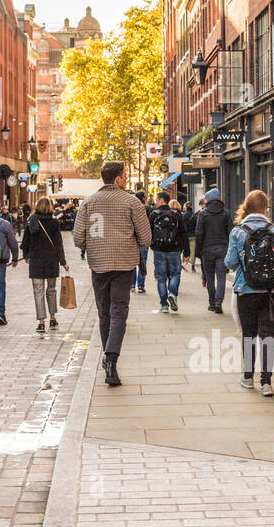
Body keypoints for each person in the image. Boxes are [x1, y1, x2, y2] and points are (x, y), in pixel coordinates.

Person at [73, 161, 152, 387]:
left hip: (98, 264)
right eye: (125, 175)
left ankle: (108, 354)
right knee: (119, 312)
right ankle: (111, 357)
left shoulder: (88, 203)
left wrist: (92, 245)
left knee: (104, 312)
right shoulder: (132, 202)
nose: (126, 179)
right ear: (117, 179)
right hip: (124, 264)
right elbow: (146, 239)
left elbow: (78, 238)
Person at [225, 189, 274, 397]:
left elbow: (229, 262)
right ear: (266, 209)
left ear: (246, 207)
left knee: (248, 335)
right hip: (272, 292)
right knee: (267, 336)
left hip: (246, 291)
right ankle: (266, 382)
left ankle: (248, 377)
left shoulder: (238, 232)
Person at [21, 197, 68, 332]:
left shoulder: (32, 221)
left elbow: (25, 241)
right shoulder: (54, 223)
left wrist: (26, 255)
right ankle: (52, 319)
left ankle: (41, 322)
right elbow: (58, 243)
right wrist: (63, 262)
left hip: (36, 261)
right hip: (51, 260)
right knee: (51, 290)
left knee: (38, 292)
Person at [194, 188, 233, 314]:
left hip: (207, 250)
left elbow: (199, 234)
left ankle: (212, 302)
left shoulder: (203, 214)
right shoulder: (226, 213)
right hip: (222, 249)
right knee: (221, 277)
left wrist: (198, 251)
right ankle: (218, 302)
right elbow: (230, 232)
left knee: (209, 277)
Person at [148, 194, 189, 313]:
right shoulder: (176, 215)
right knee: (176, 273)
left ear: (161, 201)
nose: (155, 202)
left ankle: (164, 305)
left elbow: (148, 232)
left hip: (159, 250)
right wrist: (186, 252)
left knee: (161, 278)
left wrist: (152, 245)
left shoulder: (154, 215)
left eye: (156, 200)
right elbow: (183, 234)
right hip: (174, 249)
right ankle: (172, 293)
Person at [133, 191, 150, 293]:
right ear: (143, 198)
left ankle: (131, 284)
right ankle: (140, 285)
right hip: (143, 239)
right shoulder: (147, 209)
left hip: (132, 240)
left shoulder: (132, 207)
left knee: (132, 263)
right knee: (142, 262)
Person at [184, 200, 199, 271]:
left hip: (186, 235)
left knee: (186, 250)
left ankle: (185, 264)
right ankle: (192, 266)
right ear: (192, 206)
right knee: (193, 251)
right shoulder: (195, 215)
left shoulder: (184, 215)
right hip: (193, 235)